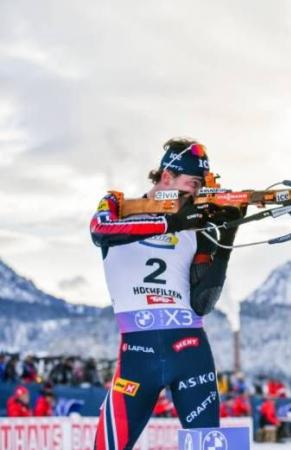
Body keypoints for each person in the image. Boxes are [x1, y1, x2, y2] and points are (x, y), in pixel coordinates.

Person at [89, 138, 244, 449]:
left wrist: (227, 234)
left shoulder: (194, 227)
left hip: (191, 350)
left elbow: (203, 303)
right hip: (138, 355)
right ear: (166, 178)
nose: (196, 194)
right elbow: (99, 230)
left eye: (201, 187)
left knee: (208, 444)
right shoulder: (118, 207)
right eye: (192, 184)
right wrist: (169, 222)